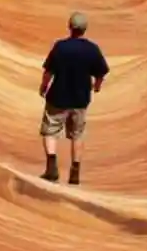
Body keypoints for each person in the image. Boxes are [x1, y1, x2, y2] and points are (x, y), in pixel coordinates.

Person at [38, 11, 109, 185]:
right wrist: (97, 86)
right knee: (77, 134)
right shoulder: (92, 49)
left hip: (58, 97)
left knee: (50, 131)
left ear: (70, 27)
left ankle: (51, 168)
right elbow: (101, 72)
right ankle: (75, 172)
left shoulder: (60, 47)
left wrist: (44, 86)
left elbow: (48, 71)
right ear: (85, 29)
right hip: (80, 99)